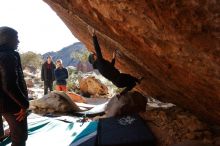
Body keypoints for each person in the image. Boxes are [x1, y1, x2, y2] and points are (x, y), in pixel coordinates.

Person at [88, 27, 143, 97]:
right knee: (131, 79)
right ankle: (135, 82)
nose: (95, 54)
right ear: (94, 58)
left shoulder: (99, 66)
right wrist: (94, 36)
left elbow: (111, 67)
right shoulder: (99, 61)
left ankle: (121, 94)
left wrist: (113, 57)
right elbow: (97, 49)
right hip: (120, 78)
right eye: (94, 55)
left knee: (132, 83)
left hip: (117, 83)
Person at [0, 26, 29, 146]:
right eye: (15, 38)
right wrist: (24, 104)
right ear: (7, 39)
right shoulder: (8, 56)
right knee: (20, 137)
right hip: (11, 104)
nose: (18, 41)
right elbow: (10, 85)